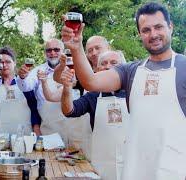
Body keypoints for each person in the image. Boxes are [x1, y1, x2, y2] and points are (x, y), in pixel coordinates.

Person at [61, 2, 186, 179]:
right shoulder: (131, 71)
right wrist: (75, 47)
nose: (153, 34)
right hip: (136, 169)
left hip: (174, 171)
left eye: (158, 27)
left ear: (170, 27)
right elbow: (90, 81)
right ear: (140, 34)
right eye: (146, 30)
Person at [60, 50, 128, 180]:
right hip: (102, 164)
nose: (108, 66)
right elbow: (68, 111)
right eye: (103, 63)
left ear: (124, 68)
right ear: (96, 69)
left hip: (130, 163)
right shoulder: (93, 95)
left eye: (114, 63)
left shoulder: (133, 93)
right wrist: (67, 88)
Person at [0, 46, 40, 136]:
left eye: (8, 62)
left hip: (25, 135)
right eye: (1, 62)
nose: (4, 65)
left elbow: (34, 109)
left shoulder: (25, 83)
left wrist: (36, 130)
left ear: (15, 63)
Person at [17, 38, 64, 136]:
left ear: (63, 52)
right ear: (45, 53)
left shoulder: (70, 69)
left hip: (70, 126)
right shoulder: (38, 70)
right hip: (48, 128)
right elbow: (26, 86)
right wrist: (22, 77)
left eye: (56, 50)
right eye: (49, 50)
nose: (52, 53)